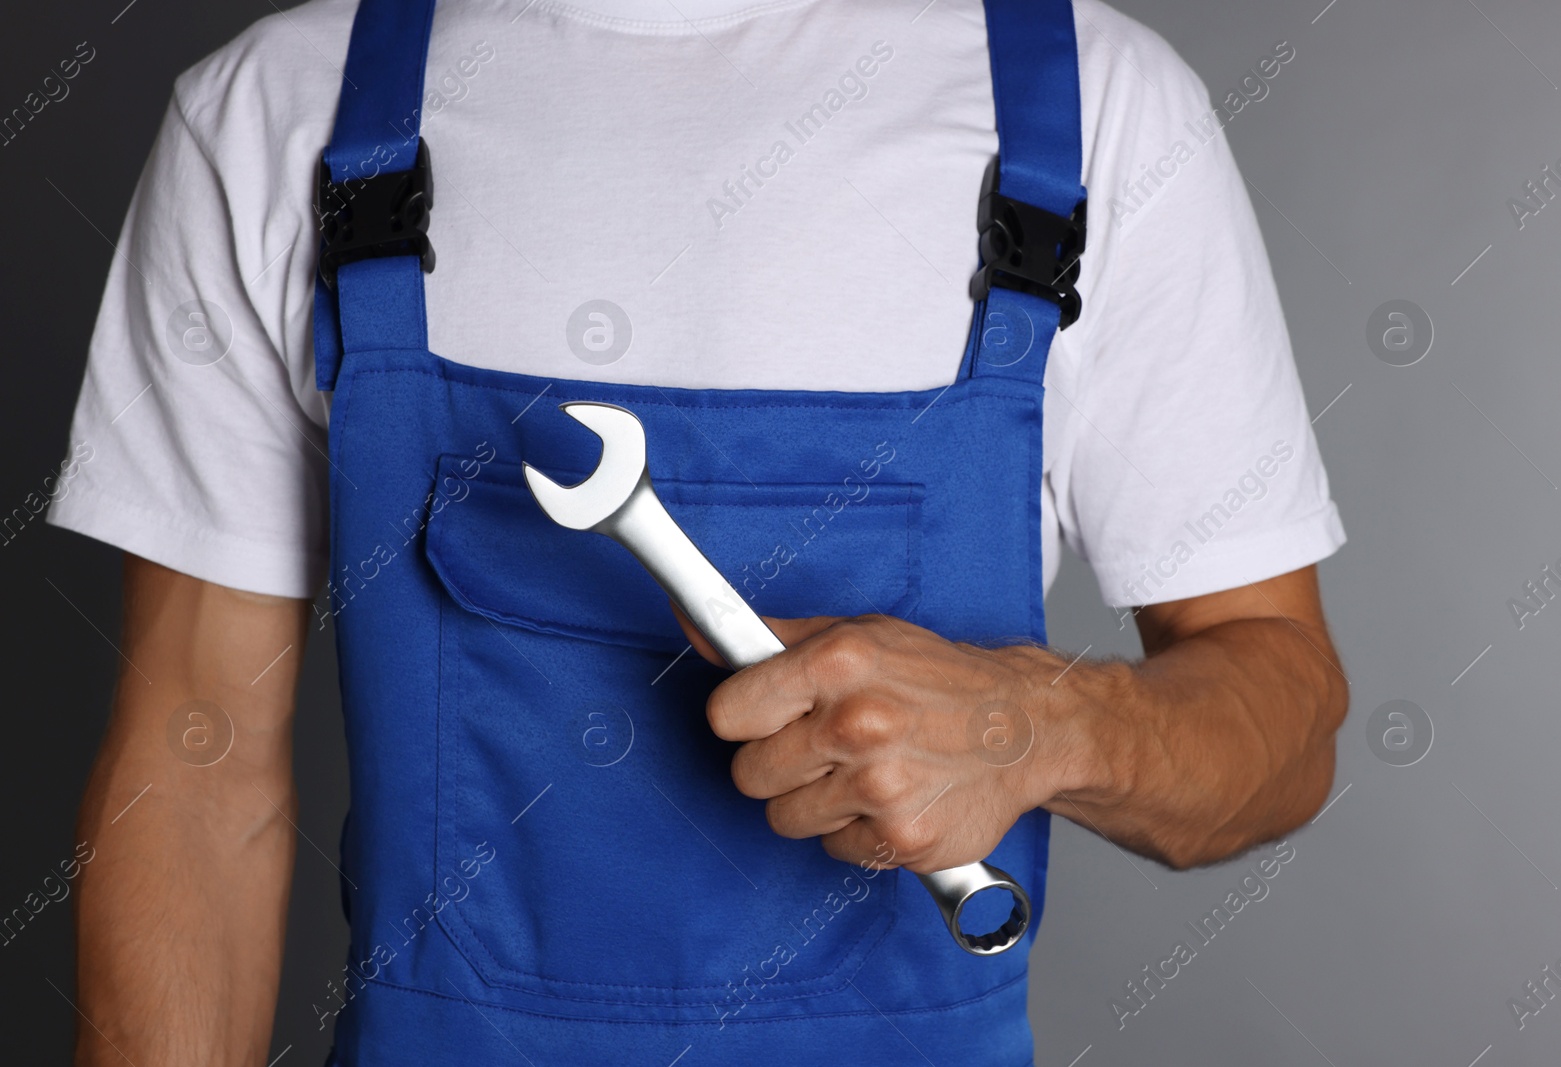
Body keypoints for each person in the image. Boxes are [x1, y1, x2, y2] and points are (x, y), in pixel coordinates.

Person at [50, 0, 1347, 1062]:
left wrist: (1041, 725)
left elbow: (1283, 730)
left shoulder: (1094, 111)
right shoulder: (284, 112)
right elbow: (197, 763)